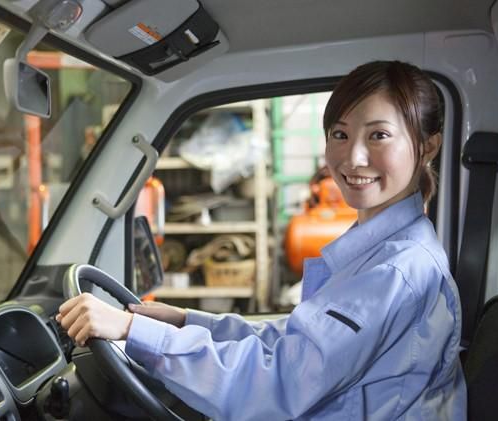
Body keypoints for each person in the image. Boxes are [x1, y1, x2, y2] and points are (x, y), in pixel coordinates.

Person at [56, 60, 466, 420]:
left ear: (428, 146)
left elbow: (281, 381)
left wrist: (132, 329)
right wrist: (185, 321)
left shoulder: (397, 269)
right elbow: (296, 342)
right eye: (340, 134)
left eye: (378, 136)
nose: (353, 157)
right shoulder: (381, 248)